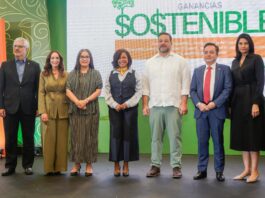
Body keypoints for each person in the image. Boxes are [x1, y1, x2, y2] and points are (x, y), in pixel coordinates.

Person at [142, 32, 190, 178]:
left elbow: (185, 85)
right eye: (160, 41)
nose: (163, 43)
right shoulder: (149, 63)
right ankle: (155, 165)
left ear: (171, 43)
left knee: (175, 137)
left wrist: (184, 103)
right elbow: (146, 87)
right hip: (155, 106)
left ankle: (176, 166)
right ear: (157, 43)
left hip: (173, 106)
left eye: (166, 41)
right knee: (155, 138)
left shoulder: (181, 61)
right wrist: (145, 105)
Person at [190, 43, 232, 182]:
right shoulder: (197, 70)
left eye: (211, 52)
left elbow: (227, 89)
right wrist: (199, 104)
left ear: (216, 54)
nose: (208, 54)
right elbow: (193, 91)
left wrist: (214, 103)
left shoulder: (225, 70)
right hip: (201, 112)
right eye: (206, 52)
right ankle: (202, 170)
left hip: (217, 111)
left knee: (218, 142)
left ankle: (219, 171)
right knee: (202, 142)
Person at [0, 37, 41, 176]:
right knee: (10, 137)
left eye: (20, 46)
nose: (16, 48)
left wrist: (38, 107)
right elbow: (1, 87)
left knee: (28, 137)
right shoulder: (5, 65)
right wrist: (1, 106)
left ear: (26, 49)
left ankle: (28, 165)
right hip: (10, 107)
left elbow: (38, 89)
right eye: (15, 46)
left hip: (29, 107)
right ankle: (10, 166)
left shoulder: (35, 66)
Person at [230, 33, 265, 183]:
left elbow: (260, 81)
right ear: (237, 46)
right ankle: (246, 170)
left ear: (250, 44)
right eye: (240, 43)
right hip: (238, 101)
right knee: (242, 137)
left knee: (252, 136)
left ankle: (255, 171)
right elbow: (232, 84)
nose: (243, 46)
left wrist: (256, 102)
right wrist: (230, 105)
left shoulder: (256, 59)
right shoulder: (234, 61)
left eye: (245, 43)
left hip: (252, 99)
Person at [105, 49, 141, 177]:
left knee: (128, 136)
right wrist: (115, 105)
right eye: (119, 58)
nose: (122, 60)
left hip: (130, 110)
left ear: (128, 59)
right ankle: (116, 164)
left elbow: (139, 92)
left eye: (124, 57)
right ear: (116, 59)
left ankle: (126, 164)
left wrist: (127, 104)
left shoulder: (135, 74)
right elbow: (107, 92)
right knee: (115, 136)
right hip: (114, 110)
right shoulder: (110, 74)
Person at [66, 49, 102, 176]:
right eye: (82, 57)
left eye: (87, 57)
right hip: (76, 111)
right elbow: (67, 90)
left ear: (90, 59)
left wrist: (85, 101)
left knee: (90, 138)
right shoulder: (72, 74)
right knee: (76, 138)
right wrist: (77, 102)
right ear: (78, 59)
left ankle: (89, 164)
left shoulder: (96, 73)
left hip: (91, 110)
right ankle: (76, 164)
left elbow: (99, 90)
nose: (84, 59)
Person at [38, 51, 69, 176]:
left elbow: (69, 91)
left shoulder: (66, 74)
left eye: (57, 58)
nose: (55, 60)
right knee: (48, 140)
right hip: (48, 111)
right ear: (49, 60)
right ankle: (49, 168)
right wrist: (42, 112)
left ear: (60, 60)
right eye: (52, 58)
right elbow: (41, 93)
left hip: (63, 110)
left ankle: (59, 168)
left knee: (62, 140)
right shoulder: (43, 74)